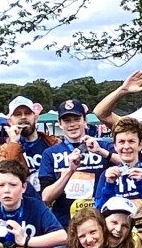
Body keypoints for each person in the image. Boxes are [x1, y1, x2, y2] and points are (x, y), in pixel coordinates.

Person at [39, 99, 111, 231]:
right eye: (67, 121)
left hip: (99, 223)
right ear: (60, 124)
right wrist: (69, 172)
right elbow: (46, 197)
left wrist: (102, 152)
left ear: (85, 121)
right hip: (65, 225)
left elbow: (127, 164)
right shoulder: (50, 154)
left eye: (76, 119)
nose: (72, 124)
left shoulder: (103, 147)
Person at [93, 117, 142, 209]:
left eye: (131, 141)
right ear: (115, 146)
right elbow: (99, 210)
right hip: (120, 223)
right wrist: (109, 185)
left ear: (140, 145)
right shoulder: (107, 175)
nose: (126, 146)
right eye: (121, 142)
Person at [4, 96, 59, 190]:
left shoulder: (53, 143)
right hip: (25, 201)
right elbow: (8, 175)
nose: (23, 117)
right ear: (10, 121)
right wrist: (13, 142)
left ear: (36, 117)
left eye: (27, 113)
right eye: (17, 114)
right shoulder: (6, 150)